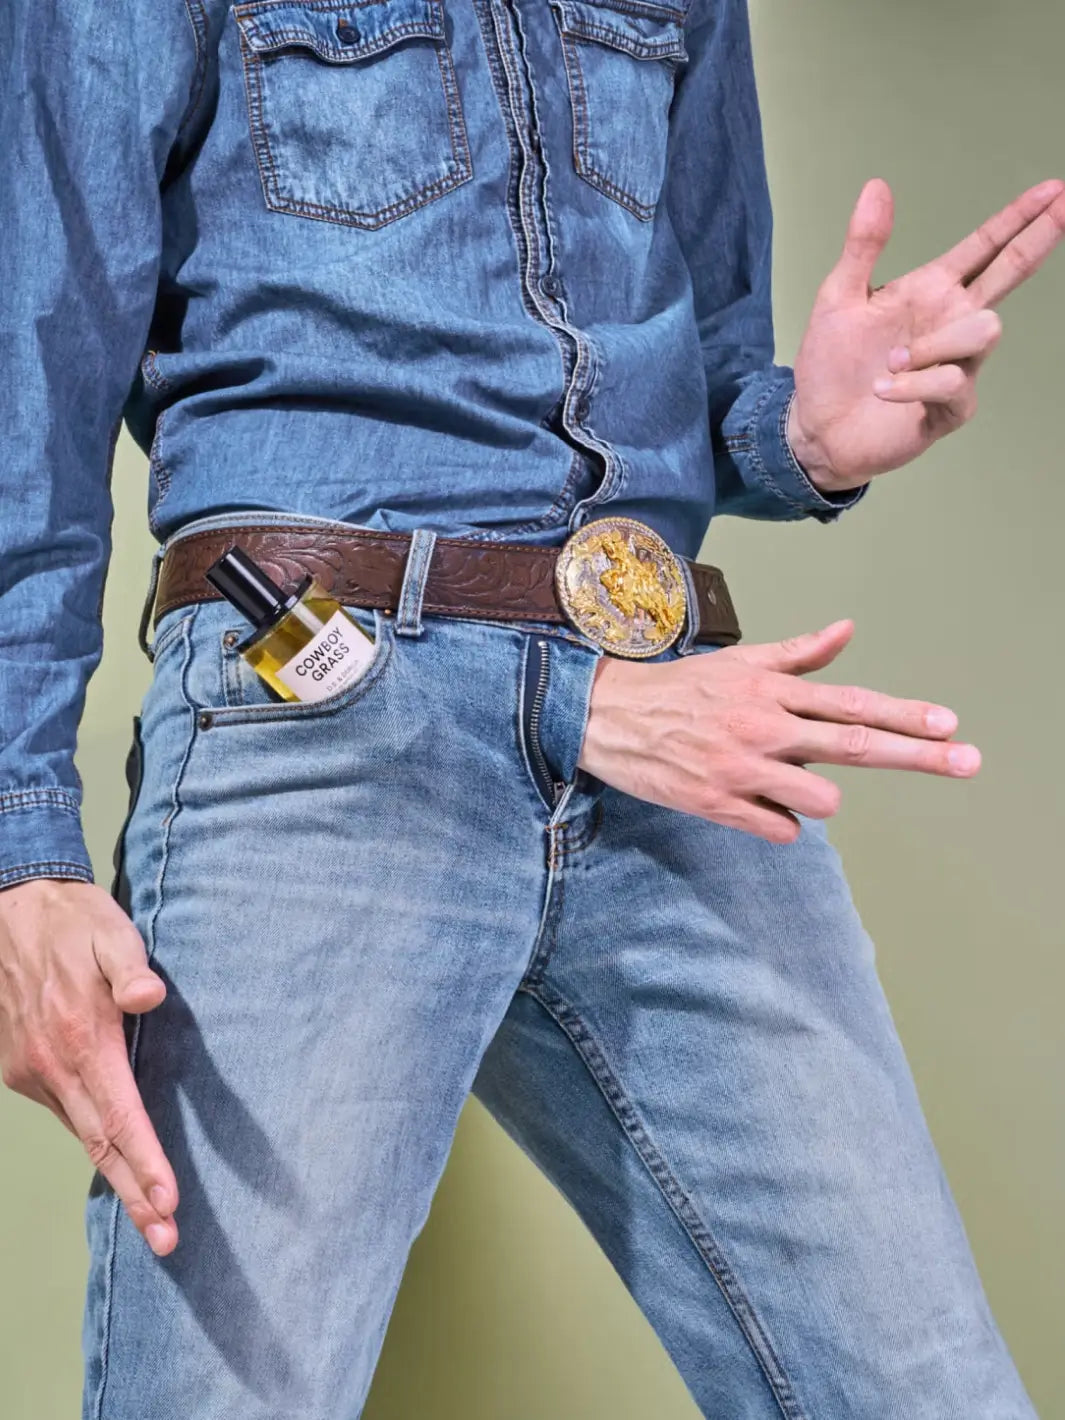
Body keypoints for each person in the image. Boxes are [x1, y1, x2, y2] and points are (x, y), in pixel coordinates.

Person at [0, 0, 1059, 1414]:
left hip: (669, 720)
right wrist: (20, 850)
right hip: (327, 702)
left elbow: (703, 367)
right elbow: (32, 357)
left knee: (927, 1392)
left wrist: (800, 433)